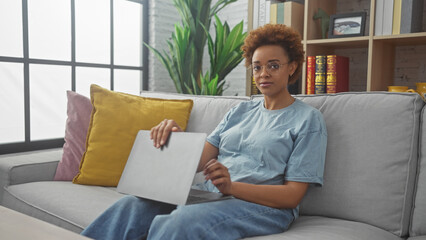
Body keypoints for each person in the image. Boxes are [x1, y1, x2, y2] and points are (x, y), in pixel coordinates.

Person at [81, 24, 327, 240]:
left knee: (179, 221)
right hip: (213, 196)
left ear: (292, 67)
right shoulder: (239, 111)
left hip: (265, 207)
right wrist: (174, 140)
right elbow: (197, 162)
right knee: (131, 206)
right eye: (257, 67)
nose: (263, 74)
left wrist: (231, 187)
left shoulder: (308, 119)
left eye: (273, 66)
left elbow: (292, 196)